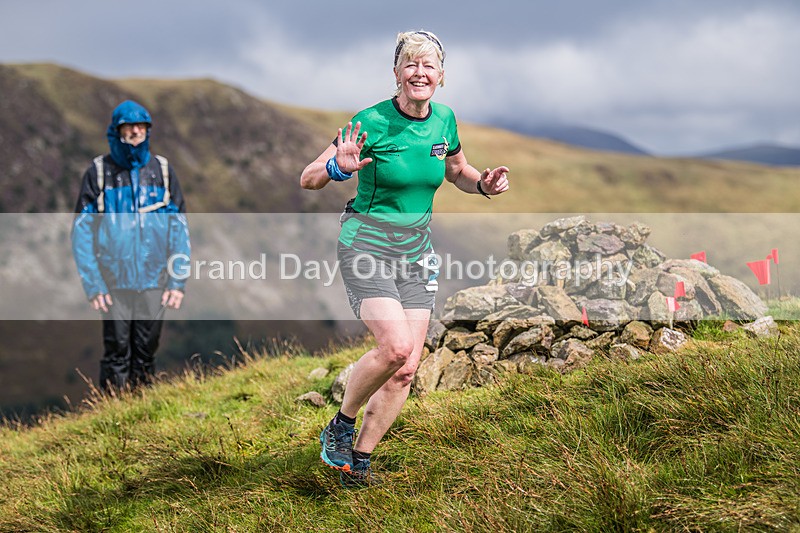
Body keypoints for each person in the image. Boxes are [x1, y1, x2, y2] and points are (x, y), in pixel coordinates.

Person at [300, 30, 509, 488]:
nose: (419, 72)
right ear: (396, 73)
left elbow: (455, 170)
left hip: (415, 255)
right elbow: (308, 177)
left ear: (441, 77)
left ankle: (357, 465)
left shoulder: (445, 121)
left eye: (428, 65)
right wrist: (339, 166)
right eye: (410, 64)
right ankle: (340, 422)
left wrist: (483, 184)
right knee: (394, 348)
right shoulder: (369, 122)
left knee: (407, 369)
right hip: (366, 247)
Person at [71, 100, 190, 392]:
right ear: (117, 129)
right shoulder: (99, 172)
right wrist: (94, 283)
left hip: (154, 279)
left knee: (146, 351)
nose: (136, 131)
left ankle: (141, 412)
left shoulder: (162, 170)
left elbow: (179, 228)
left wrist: (177, 281)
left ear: (147, 129)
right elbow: (81, 232)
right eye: (129, 125)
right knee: (117, 351)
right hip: (113, 282)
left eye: (141, 125)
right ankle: (112, 415)